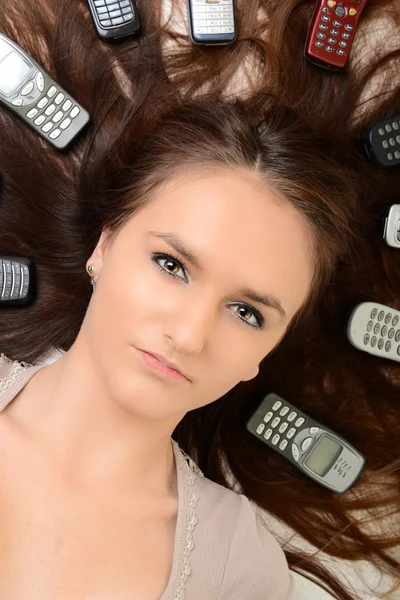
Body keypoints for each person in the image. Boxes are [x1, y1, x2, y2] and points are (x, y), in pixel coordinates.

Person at [0, 1, 399, 599]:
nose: (189, 335)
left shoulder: (239, 569)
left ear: (263, 355)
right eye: (172, 265)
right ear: (103, 246)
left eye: (248, 313)